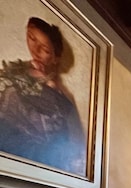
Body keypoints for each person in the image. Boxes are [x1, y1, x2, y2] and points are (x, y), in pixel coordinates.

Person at [0, 17, 85, 176]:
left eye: (45, 49)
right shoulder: (12, 73)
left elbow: (67, 140)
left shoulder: (60, 94)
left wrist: (50, 86)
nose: (36, 50)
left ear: (55, 58)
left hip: (39, 158)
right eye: (32, 38)